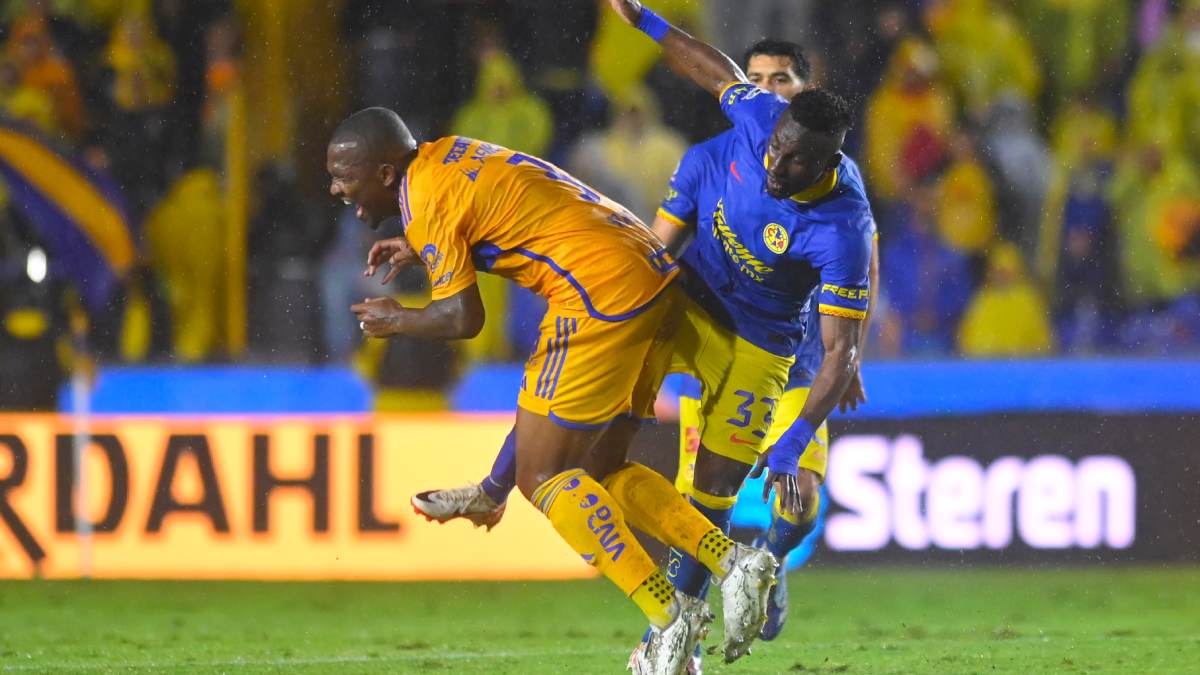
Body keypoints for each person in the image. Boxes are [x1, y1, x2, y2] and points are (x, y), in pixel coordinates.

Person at [412, 1, 876, 665]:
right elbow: (706, 66)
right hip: (684, 304)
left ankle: (675, 635)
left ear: (827, 162)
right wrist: (644, 21)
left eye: (794, 164)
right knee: (586, 444)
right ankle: (692, 593)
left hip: (760, 346)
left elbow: (841, 351)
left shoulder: (843, 227)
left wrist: (794, 440)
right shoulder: (757, 123)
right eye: (774, 150)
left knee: (711, 491)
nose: (775, 167)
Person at [330, 107, 776, 675]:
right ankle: (732, 560)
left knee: (542, 476)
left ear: (387, 173)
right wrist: (424, 245)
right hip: (651, 274)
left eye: (345, 175)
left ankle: (670, 613)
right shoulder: (448, 154)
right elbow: (501, 210)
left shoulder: (428, 200)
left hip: (597, 296)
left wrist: (399, 320)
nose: (336, 187)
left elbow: (463, 316)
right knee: (603, 468)